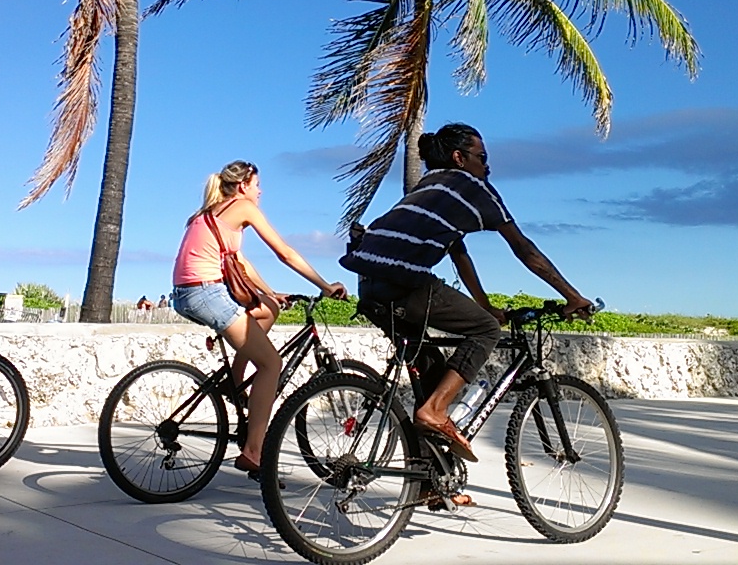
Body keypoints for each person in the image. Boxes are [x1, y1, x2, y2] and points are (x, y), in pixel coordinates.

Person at [341, 123, 592, 463]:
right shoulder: (473, 187)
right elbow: (523, 248)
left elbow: (459, 254)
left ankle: (427, 477)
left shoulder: (431, 185)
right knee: (485, 330)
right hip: (404, 281)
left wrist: (484, 304)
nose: (488, 166)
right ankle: (435, 410)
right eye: (482, 157)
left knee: (431, 371)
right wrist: (572, 296)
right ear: (460, 158)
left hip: (369, 283)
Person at [170, 160, 347, 476]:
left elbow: (241, 264)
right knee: (271, 364)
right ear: (243, 186)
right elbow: (285, 253)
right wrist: (324, 285)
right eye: (257, 185)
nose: (260, 191)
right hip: (207, 293)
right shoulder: (242, 207)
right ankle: (254, 452)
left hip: (187, 294)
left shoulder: (210, 213)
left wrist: (270, 292)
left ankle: (235, 381)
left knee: (267, 309)